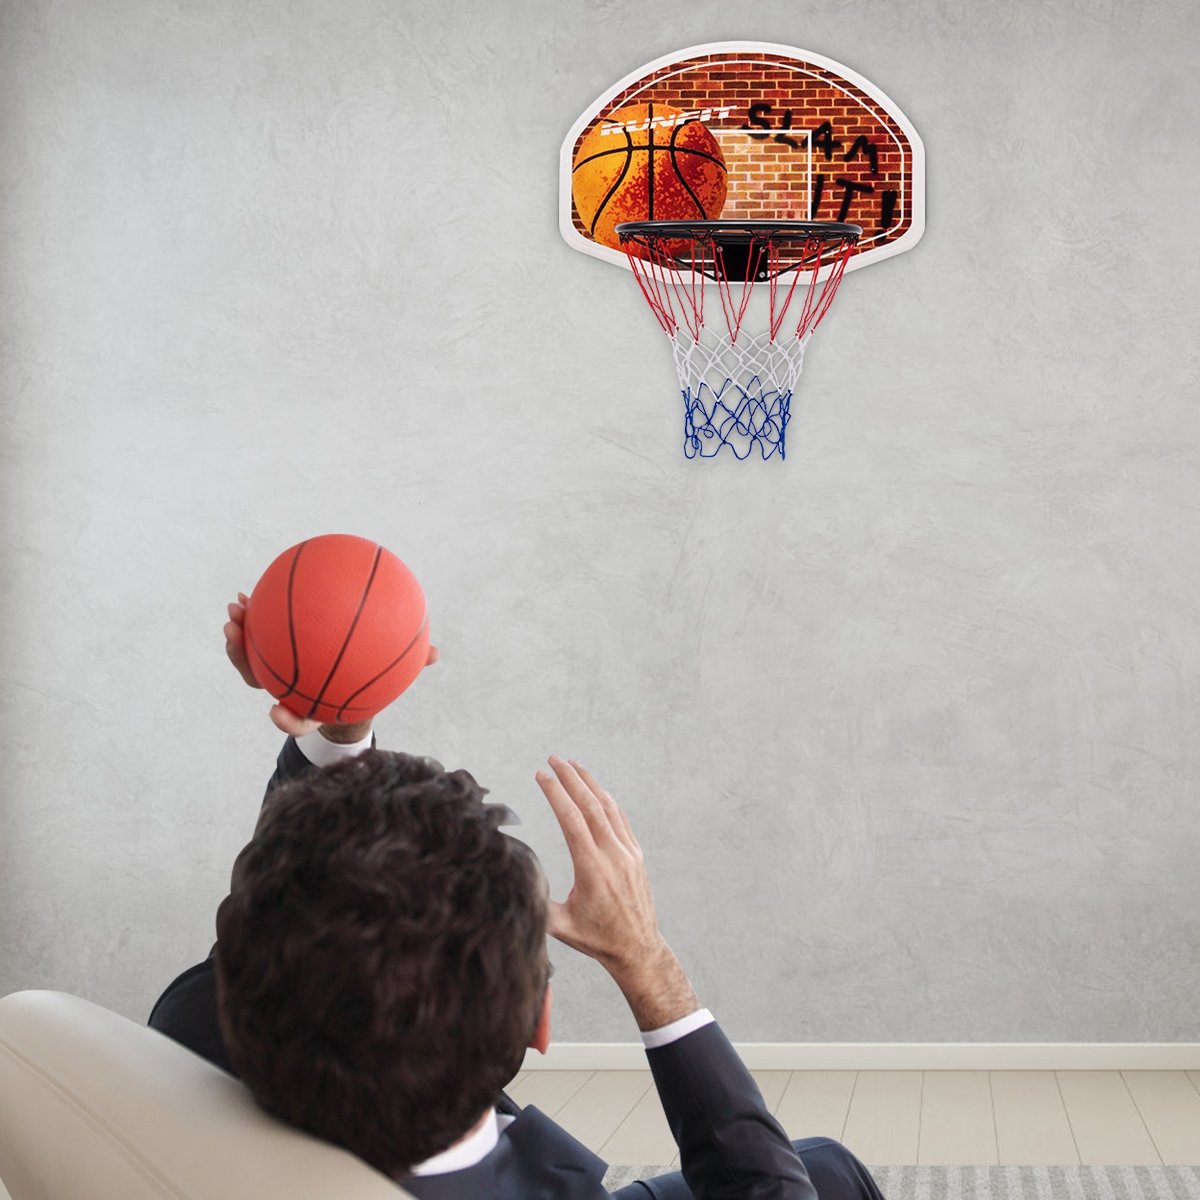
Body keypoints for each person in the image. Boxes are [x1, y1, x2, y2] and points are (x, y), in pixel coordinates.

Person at [150, 599, 887, 1199]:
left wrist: (339, 726)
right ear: (537, 1024)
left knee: (823, 1164)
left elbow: (292, 898)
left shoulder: (193, 1028)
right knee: (822, 1175)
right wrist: (646, 964)